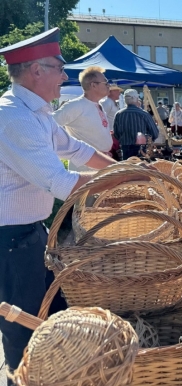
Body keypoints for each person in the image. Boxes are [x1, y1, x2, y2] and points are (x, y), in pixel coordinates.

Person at [0, 28, 123, 381]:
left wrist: (124, 169)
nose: (65, 76)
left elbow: (77, 150)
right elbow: (62, 182)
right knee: (22, 329)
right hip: (10, 242)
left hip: (31, 234)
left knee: (53, 316)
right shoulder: (13, 117)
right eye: (58, 67)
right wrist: (122, 181)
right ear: (36, 70)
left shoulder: (37, 112)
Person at [53, 66, 113, 171]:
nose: (109, 85)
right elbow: (49, 124)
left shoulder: (98, 105)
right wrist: (67, 146)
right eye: (105, 82)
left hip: (100, 162)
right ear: (94, 85)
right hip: (85, 166)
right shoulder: (76, 105)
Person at [114, 89, 159, 160]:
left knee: (127, 168)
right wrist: (149, 140)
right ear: (136, 99)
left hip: (125, 147)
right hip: (141, 148)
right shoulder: (143, 114)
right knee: (140, 169)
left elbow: (116, 134)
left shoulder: (119, 114)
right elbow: (154, 133)